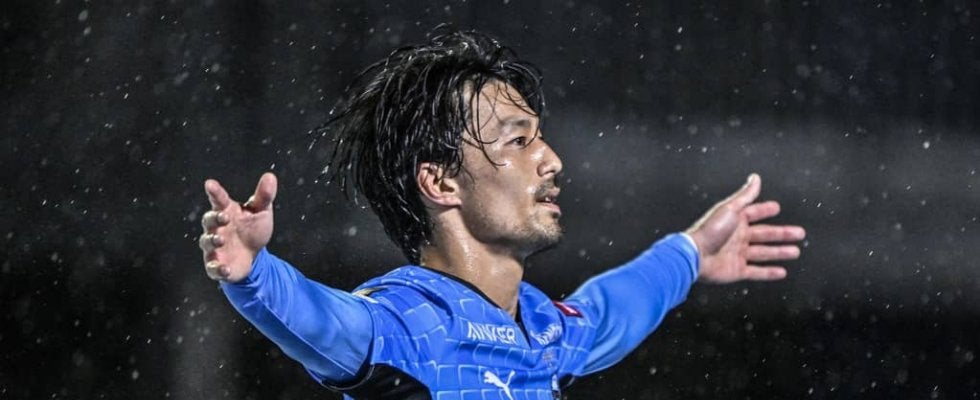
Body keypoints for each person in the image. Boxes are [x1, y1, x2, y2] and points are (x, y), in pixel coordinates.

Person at [197, 30, 805, 399]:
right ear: (440, 181)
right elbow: (323, 321)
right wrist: (254, 274)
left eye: (539, 137)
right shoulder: (408, 324)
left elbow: (608, 310)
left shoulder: (541, 326)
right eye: (518, 140)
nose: (551, 160)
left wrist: (690, 252)